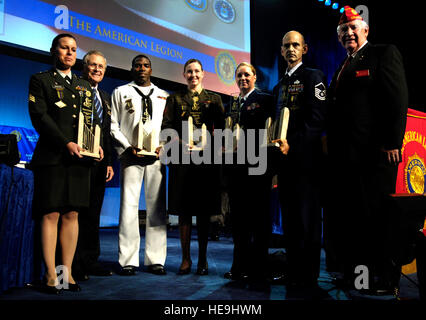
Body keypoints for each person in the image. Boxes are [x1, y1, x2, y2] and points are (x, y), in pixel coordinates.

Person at [326, 6, 408, 294]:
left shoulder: (383, 53)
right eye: (343, 31)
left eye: (353, 28)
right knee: (355, 222)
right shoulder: (343, 66)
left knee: (378, 220)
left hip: (376, 156)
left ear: (365, 30)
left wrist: (392, 142)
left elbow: (397, 100)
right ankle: (357, 277)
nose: (348, 33)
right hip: (348, 160)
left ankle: (385, 280)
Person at [28, 33, 103, 293]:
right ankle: (50, 274)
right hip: (53, 158)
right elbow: (40, 117)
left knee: (72, 214)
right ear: (54, 50)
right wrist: (65, 143)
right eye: (64, 48)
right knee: (51, 213)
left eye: (73, 49)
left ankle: (66, 274)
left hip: (80, 160)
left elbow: (89, 121)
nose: (69, 53)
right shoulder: (41, 80)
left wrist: (96, 145)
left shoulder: (83, 85)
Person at [223, 62, 287, 283]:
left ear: (255, 77)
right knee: (239, 221)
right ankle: (238, 266)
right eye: (239, 75)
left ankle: (259, 268)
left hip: (259, 168)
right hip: (236, 170)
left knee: (259, 221)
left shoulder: (265, 99)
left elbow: (274, 130)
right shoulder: (231, 103)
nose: (243, 78)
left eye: (247, 75)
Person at [272, 31, 327, 289]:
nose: (291, 49)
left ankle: (308, 275)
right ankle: (293, 270)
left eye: (296, 45)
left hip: (306, 162)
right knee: (290, 221)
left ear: (304, 49)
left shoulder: (313, 77)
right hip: (284, 163)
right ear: (281, 51)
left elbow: (317, 121)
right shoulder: (277, 86)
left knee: (307, 221)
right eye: (286, 46)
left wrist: (293, 146)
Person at [160, 58, 224, 275]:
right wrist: (178, 142)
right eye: (189, 71)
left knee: (204, 213)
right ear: (184, 74)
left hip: (206, 164)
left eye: (197, 71)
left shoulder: (214, 99)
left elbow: (223, 130)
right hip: (183, 162)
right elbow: (165, 128)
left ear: (203, 74)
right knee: (184, 212)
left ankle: (203, 260)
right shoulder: (175, 99)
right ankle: (186, 259)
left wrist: (212, 141)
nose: (193, 75)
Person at [110, 55, 168, 276]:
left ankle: (156, 259)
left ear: (151, 69)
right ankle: (128, 260)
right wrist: (126, 147)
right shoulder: (120, 91)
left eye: (145, 65)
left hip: (156, 156)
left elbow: (168, 126)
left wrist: (161, 146)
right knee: (128, 207)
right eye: (137, 65)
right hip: (130, 155)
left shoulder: (163, 95)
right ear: (132, 69)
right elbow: (113, 125)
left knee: (157, 208)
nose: (142, 68)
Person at [72, 50, 114, 281]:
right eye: (93, 65)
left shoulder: (105, 97)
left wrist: (108, 162)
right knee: (76, 213)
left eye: (101, 66)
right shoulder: (75, 90)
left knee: (93, 213)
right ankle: (74, 262)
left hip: (99, 164)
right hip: (78, 160)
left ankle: (90, 260)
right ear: (84, 66)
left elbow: (106, 133)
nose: (97, 69)